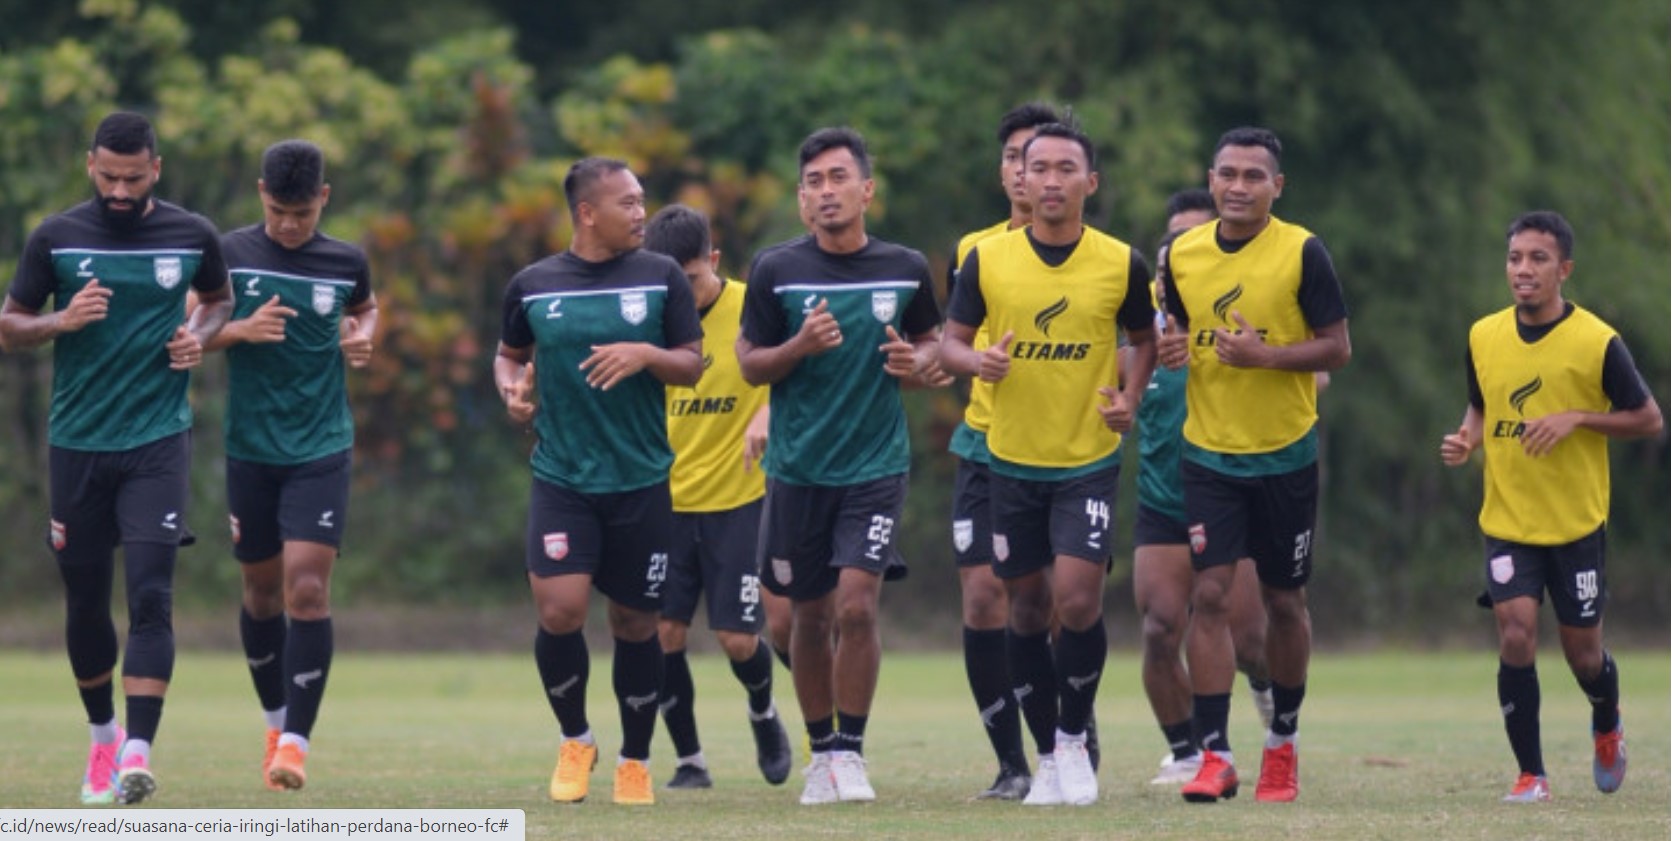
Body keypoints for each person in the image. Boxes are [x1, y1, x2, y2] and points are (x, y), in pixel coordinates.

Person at [0, 111, 233, 805]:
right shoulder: (57, 236)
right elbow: (9, 325)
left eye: (134, 178)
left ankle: (138, 751)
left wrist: (198, 332)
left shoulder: (192, 235)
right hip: (77, 443)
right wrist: (60, 321)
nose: (121, 191)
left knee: (153, 593)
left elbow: (219, 301)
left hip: (158, 439)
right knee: (85, 597)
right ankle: (103, 737)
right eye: (108, 177)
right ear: (90, 166)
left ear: (156, 169)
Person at [941, 121, 1157, 807]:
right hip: (1009, 460)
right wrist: (978, 361)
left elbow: (1144, 339)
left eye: (1068, 168)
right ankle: (1044, 757)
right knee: (1026, 607)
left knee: (1077, 597)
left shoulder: (1122, 262)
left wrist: (1129, 396)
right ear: (1021, 180)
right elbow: (948, 343)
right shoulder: (986, 261)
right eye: (1040, 168)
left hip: (1087, 460)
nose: (1053, 180)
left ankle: (1071, 740)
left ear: (1090, 182)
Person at [737, 127, 941, 805]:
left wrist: (918, 366)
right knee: (806, 621)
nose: (826, 192)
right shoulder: (774, 270)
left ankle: (850, 750)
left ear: (866, 189)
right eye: (814, 183)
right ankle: (820, 751)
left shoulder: (906, 266)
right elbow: (749, 362)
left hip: (875, 466)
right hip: (797, 470)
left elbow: (930, 352)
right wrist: (799, 343)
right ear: (801, 200)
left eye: (837, 178)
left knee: (858, 605)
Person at [493, 157, 704, 806]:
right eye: (628, 202)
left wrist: (644, 354)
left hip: (641, 480)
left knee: (636, 623)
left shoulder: (661, 276)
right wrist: (512, 393)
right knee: (559, 610)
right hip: (563, 478)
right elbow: (509, 355)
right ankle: (576, 738)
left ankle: (635, 759)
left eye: (643, 200)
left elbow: (692, 364)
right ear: (588, 213)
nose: (642, 212)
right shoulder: (533, 284)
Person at [1156, 126, 1351, 804]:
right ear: (1210, 180)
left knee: (1283, 602)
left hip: (1285, 457)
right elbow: (1175, 329)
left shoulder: (1302, 252)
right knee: (1207, 596)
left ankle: (1283, 743)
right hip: (1208, 454)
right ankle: (1216, 754)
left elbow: (1337, 348)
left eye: (1253, 176)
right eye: (1228, 174)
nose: (1238, 187)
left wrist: (1267, 356)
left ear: (1277, 186)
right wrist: (1174, 348)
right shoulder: (1181, 254)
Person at [1439, 210, 1660, 803]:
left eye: (1538, 259)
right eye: (1515, 258)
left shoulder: (1596, 341)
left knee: (1583, 653)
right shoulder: (1483, 334)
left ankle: (1607, 720)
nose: (1523, 270)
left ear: (1564, 269)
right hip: (1508, 520)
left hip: (1575, 522)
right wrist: (1468, 438)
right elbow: (1481, 405)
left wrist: (1578, 418)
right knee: (1515, 635)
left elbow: (1648, 418)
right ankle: (1531, 773)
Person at [204, 139, 378, 792]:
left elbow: (364, 310)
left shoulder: (345, 260)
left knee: (307, 588)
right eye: (278, 211)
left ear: (323, 201)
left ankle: (297, 745)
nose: (288, 225)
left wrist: (364, 337)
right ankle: (275, 722)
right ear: (260, 194)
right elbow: (188, 334)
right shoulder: (228, 253)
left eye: (301, 214)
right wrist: (235, 332)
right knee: (261, 592)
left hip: (320, 447)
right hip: (250, 449)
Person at [642, 203, 793, 790]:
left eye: (694, 279)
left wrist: (768, 411)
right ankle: (690, 761)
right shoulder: (645, 315)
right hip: (664, 501)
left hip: (739, 499)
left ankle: (763, 710)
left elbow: (799, 375)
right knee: (663, 636)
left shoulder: (755, 303)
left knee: (736, 639)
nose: (683, 293)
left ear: (714, 260)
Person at [1134, 189, 1275, 786]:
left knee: (1247, 639)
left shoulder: (1242, 305)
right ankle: (1191, 748)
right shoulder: (1139, 322)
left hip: (1230, 487)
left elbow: (1314, 374)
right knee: (1161, 626)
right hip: (1163, 498)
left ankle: (1272, 705)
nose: (1180, 249)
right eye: (1173, 240)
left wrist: (1250, 356)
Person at [944, 102, 1061, 801]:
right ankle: (1010, 758)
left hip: (1063, 450)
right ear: (1003, 171)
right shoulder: (975, 250)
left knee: (1049, 600)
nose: (1027, 170)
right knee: (985, 596)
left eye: (1042, 158)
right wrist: (940, 359)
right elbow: (950, 338)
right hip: (985, 443)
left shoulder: (1098, 254)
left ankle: (1065, 732)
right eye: (1018, 157)